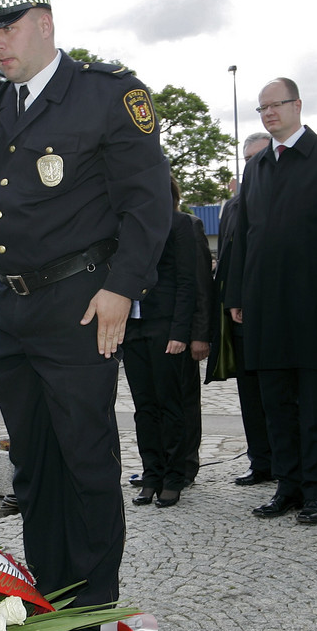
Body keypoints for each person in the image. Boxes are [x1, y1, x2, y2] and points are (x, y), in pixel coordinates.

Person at [0, 0, 171, 607]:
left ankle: (94, 606)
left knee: (86, 457)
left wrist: (122, 289)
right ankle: (51, 595)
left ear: (43, 23)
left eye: (8, 28)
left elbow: (150, 203)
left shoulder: (106, 94)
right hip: (14, 307)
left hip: (81, 300)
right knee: (34, 464)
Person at [226, 79, 317, 525]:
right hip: (264, 303)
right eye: (262, 108)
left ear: (298, 105)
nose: (268, 113)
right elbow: (244, 236)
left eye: (275, 105)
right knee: (275, 402)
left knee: (313, 404)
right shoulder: (258, 165)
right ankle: (287, 484)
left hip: (312, 302)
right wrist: (238, 293)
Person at [207, 133, 274, 487]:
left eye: (259, 157)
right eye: (247, 159)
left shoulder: (283, 199)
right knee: (250, 395)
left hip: (278, 316)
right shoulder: (233, 206)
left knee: (281, 396)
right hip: (241, 316)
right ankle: (260, 460)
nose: (253, 165)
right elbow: (228, 261)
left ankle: (289, 464)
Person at [126, 181, 196, 508]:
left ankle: (174, 476)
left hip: (166, 327)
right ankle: (151, 473)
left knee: (171, 404)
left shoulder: (180, 224)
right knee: (144, 407)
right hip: (133, 328)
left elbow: (187, 281)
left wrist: (181, 332)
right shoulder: (124, 225)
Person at [181, 209, 213, 487]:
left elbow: (201, 282)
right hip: (147, 331)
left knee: (184, 402)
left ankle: (186, 465)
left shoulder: (190, 226)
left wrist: (200, 334)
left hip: (184, 331)